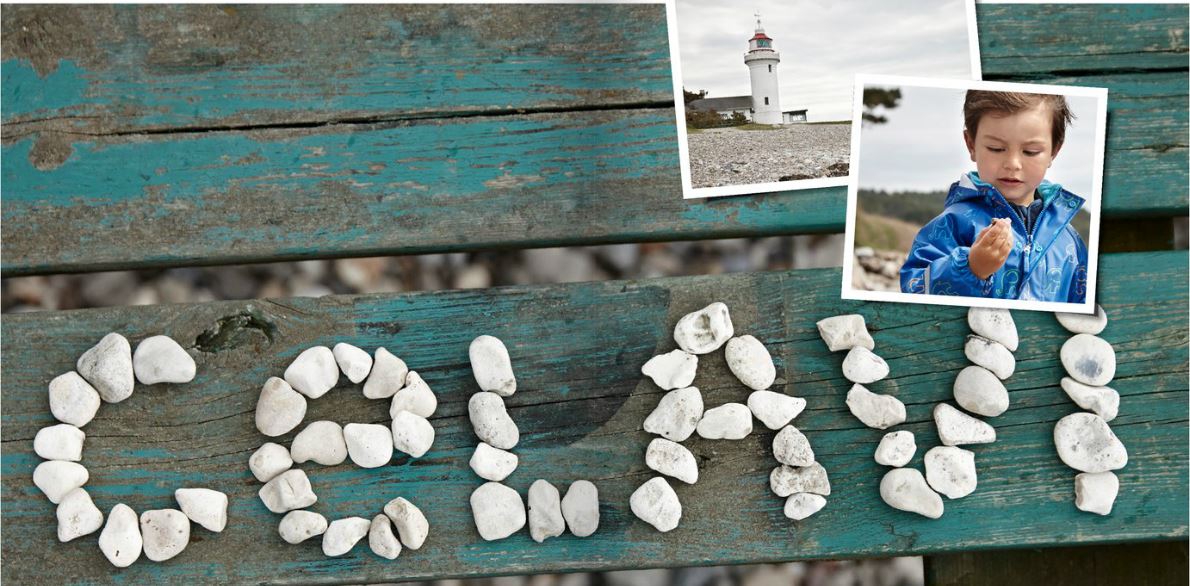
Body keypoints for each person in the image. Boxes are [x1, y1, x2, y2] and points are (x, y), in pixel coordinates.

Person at [900, 90, 1088, 302]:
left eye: (1031, 151)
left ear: (1054, 151)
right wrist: (971, 267)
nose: (1012, 164)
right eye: (996, 148)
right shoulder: (952, 224)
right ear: (971, 144)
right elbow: (913, 289)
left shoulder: (1068, 238)